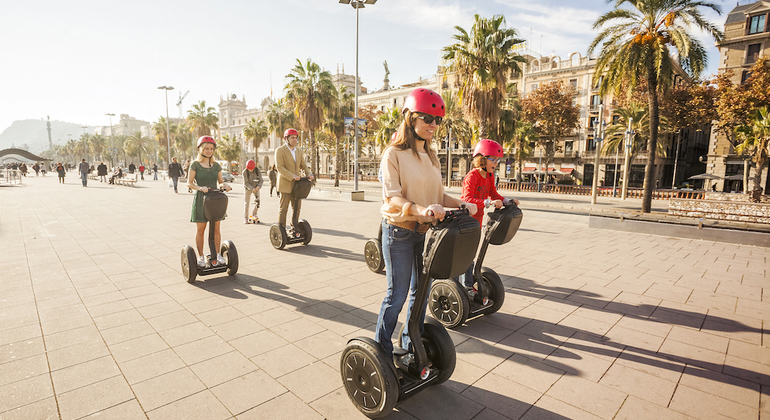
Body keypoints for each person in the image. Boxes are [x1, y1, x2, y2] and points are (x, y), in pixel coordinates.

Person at [375, 88, 477, 357]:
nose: (434, 125)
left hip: (427, 232)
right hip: (399, 232)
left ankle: (410, 343)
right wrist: (421, 209)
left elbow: (438, 194)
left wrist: (460, 204)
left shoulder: (431, 156)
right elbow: (393, 199)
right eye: (428, 118)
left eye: (437, 120)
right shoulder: (393, 154)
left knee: (420, 294)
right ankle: (382, 351)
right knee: (396, 297)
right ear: (410, 117)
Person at [457, 139, 519, 290]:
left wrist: (507, 200)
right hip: (465, 222)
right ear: (482, 159)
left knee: (471, 253)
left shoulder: (490, 176)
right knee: (465, 255)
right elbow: (465, 200)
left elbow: (493, 194)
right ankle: (464, 285)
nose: (496, 163)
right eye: (493, 159)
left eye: (498, 159)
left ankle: (468, 284)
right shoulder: (472, 177)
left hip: (476, 222)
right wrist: (488, 203)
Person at [187, 136, 232, 267]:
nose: (209, 151)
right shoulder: (194, 164)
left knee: (216, 229)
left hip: (214, 199)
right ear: (200, 149)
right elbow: (189, 183)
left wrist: (225, 186)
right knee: (201, 229)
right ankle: (200, 256)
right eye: (206, 148)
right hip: (201, 199)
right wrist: (200, 188)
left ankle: (217, 255)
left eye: (211, 148)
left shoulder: (216, 165)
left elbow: (221, 182)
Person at [275, 128, 314, 234]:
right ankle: (281, 230)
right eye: (292, 138)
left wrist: (309, 173)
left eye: (296, 138)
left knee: (296, 208)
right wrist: (292, 176)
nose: (294, 140)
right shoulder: (280, 150)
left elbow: (303, 165)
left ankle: (294, 227)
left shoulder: (299, 151)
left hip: (297, 185)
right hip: (285, 184)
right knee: (284, 209)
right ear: (286, 139)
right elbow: (280, 167)